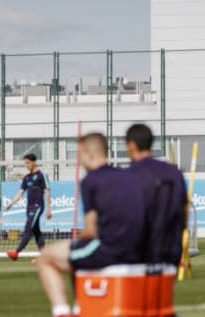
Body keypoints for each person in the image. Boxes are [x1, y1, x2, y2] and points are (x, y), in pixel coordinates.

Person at [37, 133, 146, 317]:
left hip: (109, 248)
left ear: (88, 153)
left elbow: (90, 229)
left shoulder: (91, 181)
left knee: (45, 258)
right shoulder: (129, 177)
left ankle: (63, 312)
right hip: (139, 248)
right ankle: (82, 306)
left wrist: (78, 241)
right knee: (76, 254)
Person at [126, 123, 187, 265]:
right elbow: (183, 212)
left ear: (132, 145)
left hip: (141, 253)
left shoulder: (129, 176)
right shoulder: (175, 173)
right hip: (171, 251)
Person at [5, 154, 52, 261]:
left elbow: (47, 191)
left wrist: (49, 208)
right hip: (29, 207)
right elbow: (20, 192)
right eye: (25, 163)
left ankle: (16, 252)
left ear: (34, 162)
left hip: (38, 206)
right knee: (36, 231)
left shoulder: (41, 175)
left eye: (28, 163)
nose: (26, 165)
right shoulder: (26, 178)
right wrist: (11, 204)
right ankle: (44, 256)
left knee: (28, 228)